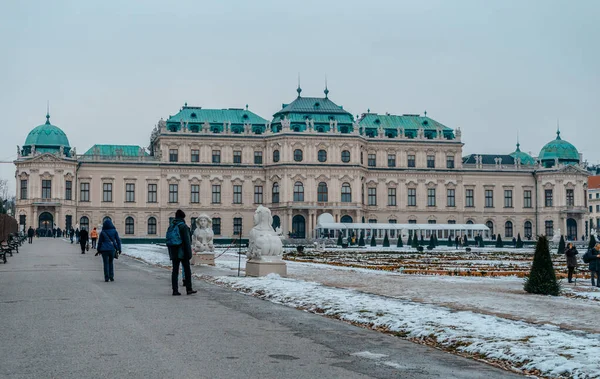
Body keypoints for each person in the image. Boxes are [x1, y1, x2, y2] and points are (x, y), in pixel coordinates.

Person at [166, 209, 197, 296]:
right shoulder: (183, 226)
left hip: (173, 251)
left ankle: (175, 290)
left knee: (175, 271)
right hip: (182, 252)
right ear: (183, 217)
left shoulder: (171, 226)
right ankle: (189, 289)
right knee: (187, 270)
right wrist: (189, 254)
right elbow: (187, 241)